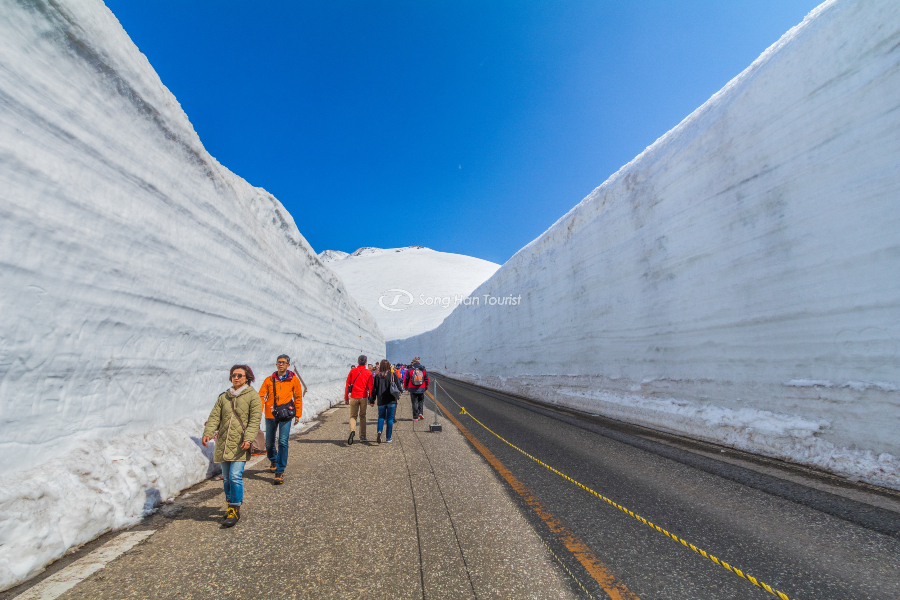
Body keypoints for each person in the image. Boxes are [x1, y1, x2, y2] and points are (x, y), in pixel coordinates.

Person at [202, 365, 262, 527]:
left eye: (240, 375)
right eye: (233, 375)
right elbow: (215, 416)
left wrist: (249, 439)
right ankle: (230, 503)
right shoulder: (224, 397)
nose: (236, 378)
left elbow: (254, 420)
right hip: (224, 442)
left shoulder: (253, 397)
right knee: (227, 478)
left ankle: (235, 507)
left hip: (240, 444)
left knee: (235, 476)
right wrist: (208, 431)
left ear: (247, 378)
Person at [257, 354, 303, 484]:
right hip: (270, 414)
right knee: (270, 442)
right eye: (279, 362)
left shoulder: (293, 380)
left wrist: (298, 413)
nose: (280, 364)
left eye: (283, 362)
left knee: (283, 441)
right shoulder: (269, 380)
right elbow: (261, 396)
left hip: (285, 415)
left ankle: (280, 471)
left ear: (288, 365)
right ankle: (273, 459)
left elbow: (298, 397)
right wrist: (259, 412)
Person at [370, 359, 401, 443]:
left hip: (381, 400)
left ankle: (379, 431)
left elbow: (374, 389)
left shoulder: (377, 376)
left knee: (381, 417)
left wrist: (372, 400)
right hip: (391, 400)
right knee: (390, 419)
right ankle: (388, 438)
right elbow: (399, 388)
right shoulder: (393, 375)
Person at [345, 355, 374, 445]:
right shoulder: (368, 373)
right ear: (365, 363)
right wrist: (371, 399)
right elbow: (371, 387)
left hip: (354, 396)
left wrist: (346, 397)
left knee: (353, 416)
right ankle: (362, 436)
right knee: (362, 416)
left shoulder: (352, 371)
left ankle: (352, 430)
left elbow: (347, 385)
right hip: (363, 397)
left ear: (358, 362)